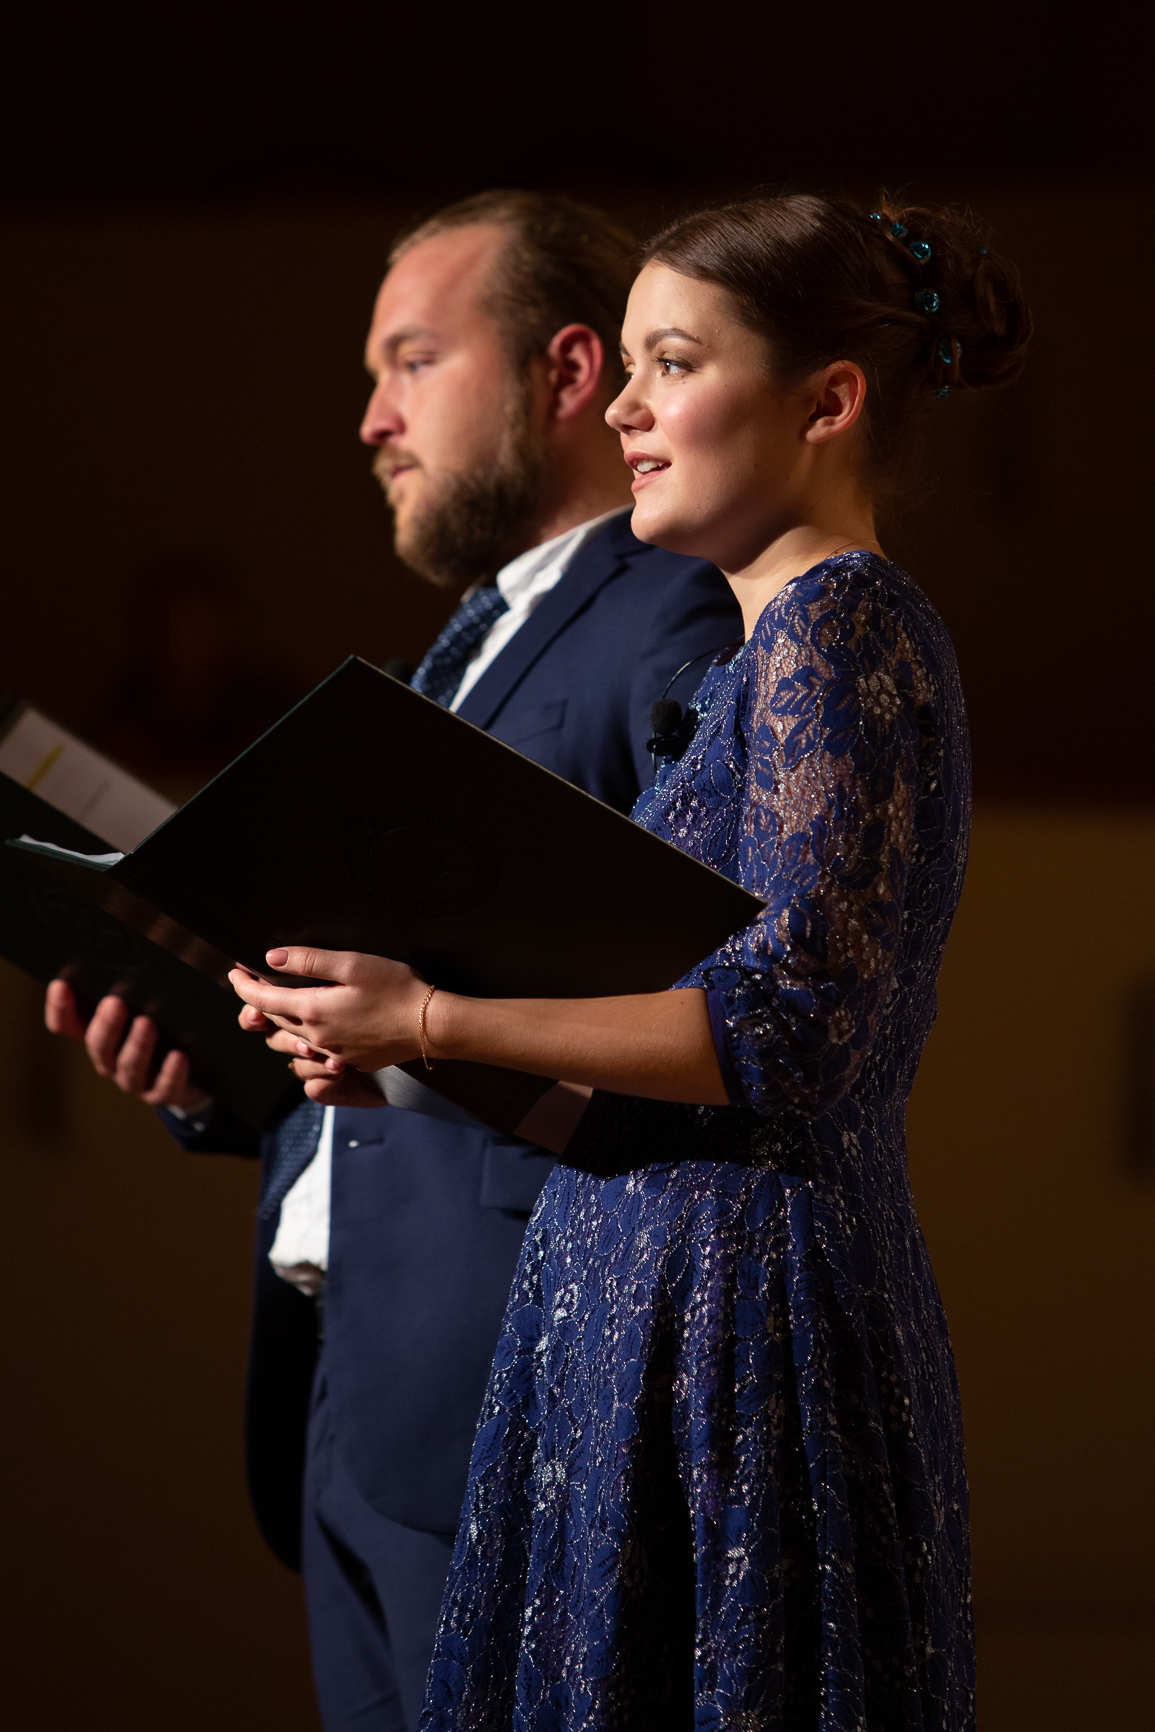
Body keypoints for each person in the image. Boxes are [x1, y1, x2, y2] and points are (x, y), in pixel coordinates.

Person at [232, 193, 1031, 1729]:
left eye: (673, 362)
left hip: (736, 1301)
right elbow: (677, 1077)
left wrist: (434, 1011)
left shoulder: (837, 627)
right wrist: (409, 1060)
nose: (624, 407)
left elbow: (785, 1029)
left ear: (826, 402)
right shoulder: (768, 649)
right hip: (644, 1278)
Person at [44, 189, 742, 1732]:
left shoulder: (671, 613)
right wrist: (216, 1065)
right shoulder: (467, 645)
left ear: (568, 373)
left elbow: (719, 1009)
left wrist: (427, 1020)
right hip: (343, 1390)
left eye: (413, 362)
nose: (371, 421)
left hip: (504, 1378)